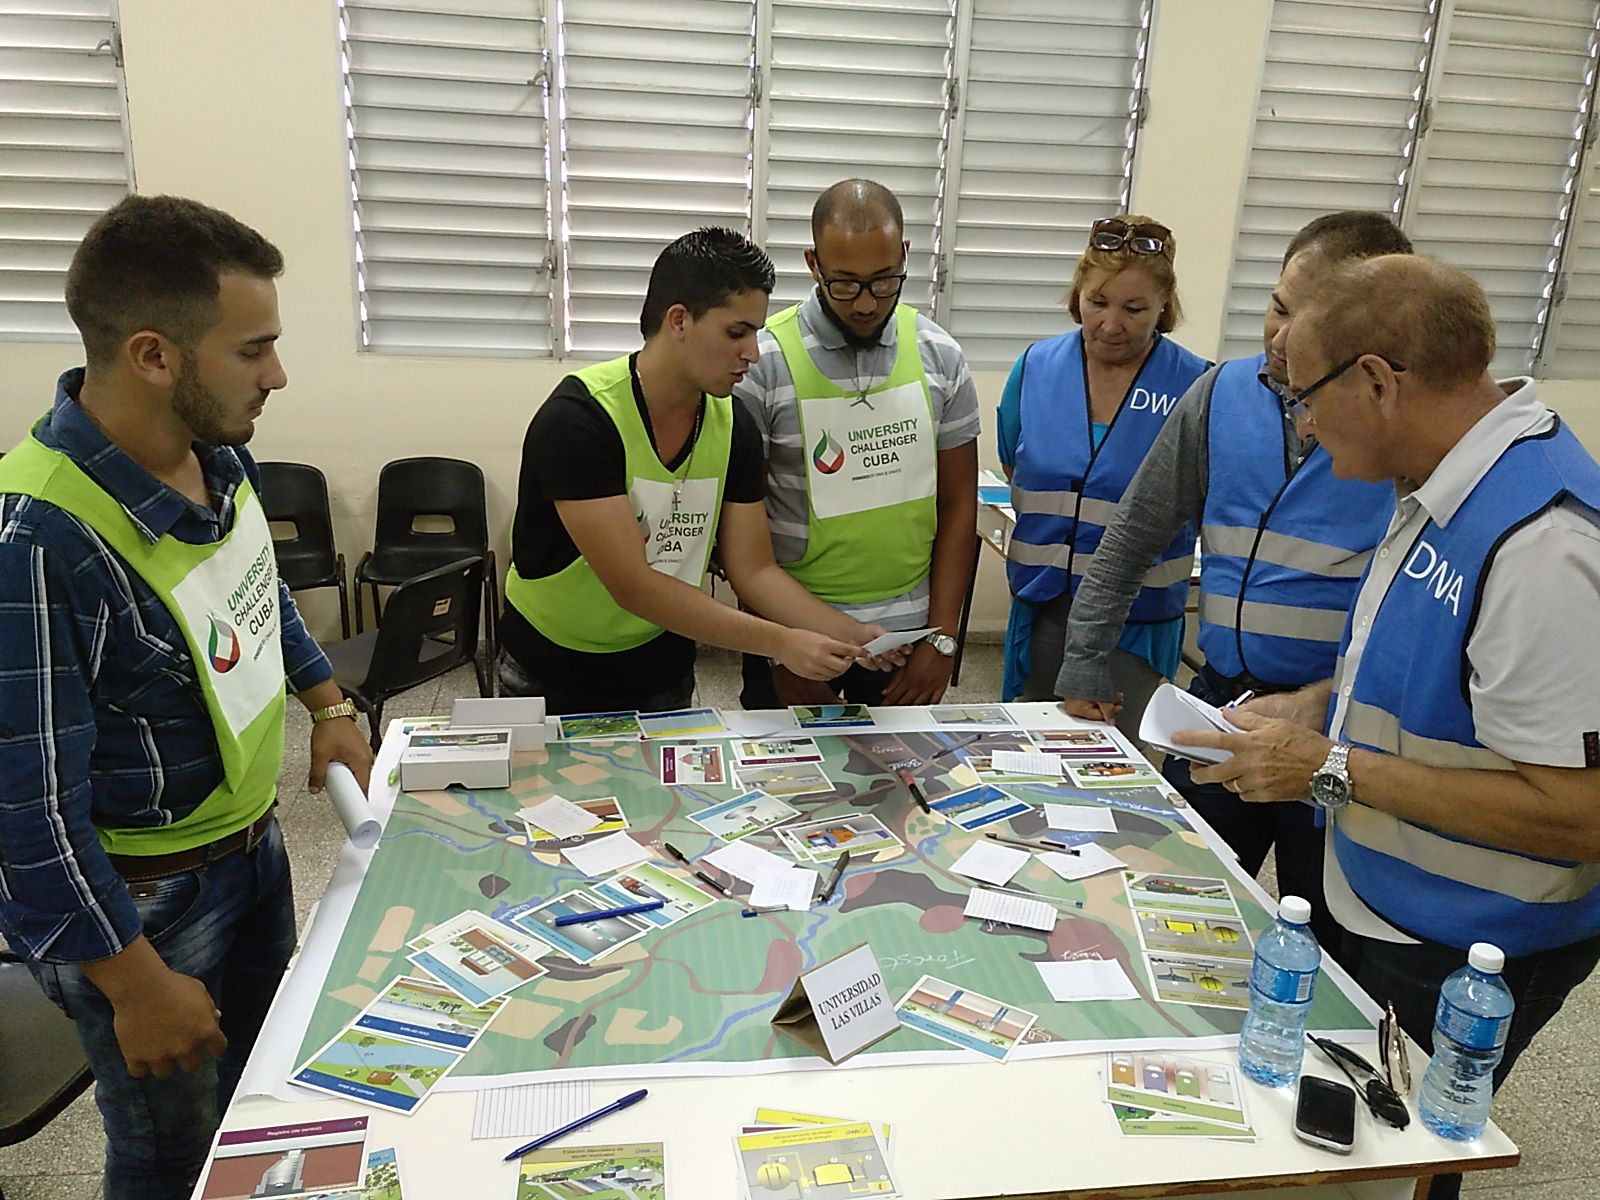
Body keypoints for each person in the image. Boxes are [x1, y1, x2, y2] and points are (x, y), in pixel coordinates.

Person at [1175, 255, 1600, 1200]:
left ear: (1375, 379)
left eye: (1307, 393)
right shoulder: (1436, 485)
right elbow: (1416, 668)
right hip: (1384, 894)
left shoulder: (1543, 547)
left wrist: (1329, 767)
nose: (1301, 421)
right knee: (1339, 1139)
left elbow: (1580, 818)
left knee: (1398, 1160)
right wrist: (1312, 706)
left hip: (1477, 941)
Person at [0, 195, 375, 1200]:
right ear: (156, 355)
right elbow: (27, 815)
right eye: (254, 350)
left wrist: (329, 705)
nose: (279, 374)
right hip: (146, 908)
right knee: (170, 1154)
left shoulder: (217, 451)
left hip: (249, 848)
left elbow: (255, 592)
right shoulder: (38, 539)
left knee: (257, 1098)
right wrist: (136, 984)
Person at [1055, 212, 1410, 950]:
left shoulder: (1402, 429)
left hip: (1340, 733)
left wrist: (1324, 703)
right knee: (1177, 913)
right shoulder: (1220, 396)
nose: (1280, 337)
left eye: (1304, 318)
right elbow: (1131, 538)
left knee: (1328, 943)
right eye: (1277, 306)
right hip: (1222, 709)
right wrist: (1085, 657)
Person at [498, 227, 884, 715]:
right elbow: (633, 585)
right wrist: (783, 643)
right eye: (736, 332)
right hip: (549, 664)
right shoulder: (579, 420)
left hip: (660, 658)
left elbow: (755, 569)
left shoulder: (734, 424)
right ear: (679, 319)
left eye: (757, 333)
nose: (752, 354)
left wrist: (852, 635)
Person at [734, 179, 979, 709]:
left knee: (905, 784)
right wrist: (780, 648)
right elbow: (739, 534)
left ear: (905, 257)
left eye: (884, 281)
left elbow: (959, 506)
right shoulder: (764, 363)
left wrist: (941, 638)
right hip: (798, 635)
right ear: (813, 264)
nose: (866, 303)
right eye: (844, 283)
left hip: (907, 641)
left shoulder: (941, 358)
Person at [998, 215, 1210, 747]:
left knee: (1119, 771)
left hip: (1136, 625)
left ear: (1165, 305)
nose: (1111, 324)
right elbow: (1013, 461)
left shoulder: (1198, 386)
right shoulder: (1035, 367)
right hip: (1040, 607)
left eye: (1134, 309)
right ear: (1078, 295)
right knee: (1027, 761)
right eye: (1098, 302)